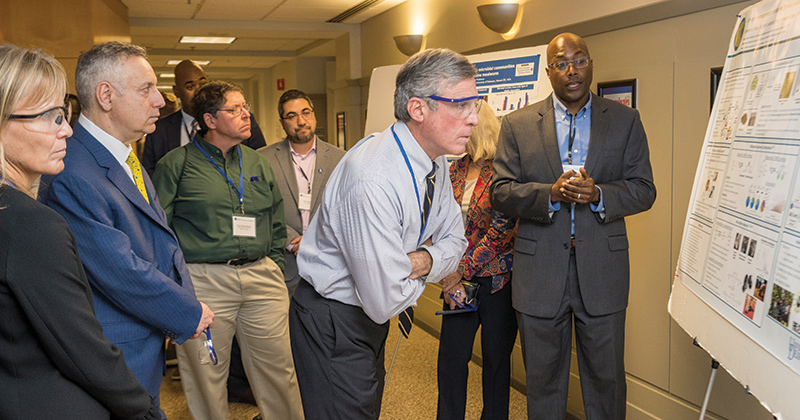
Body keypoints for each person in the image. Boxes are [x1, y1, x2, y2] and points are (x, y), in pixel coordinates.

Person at [289, 48, 472, 419]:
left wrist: (414, 262)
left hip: (363, 317)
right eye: (461, 105)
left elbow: (457, 238)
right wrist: (428, 263)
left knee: (363, 408)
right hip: (333, 319)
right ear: (419, 109)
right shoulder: (372, 177)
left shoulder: (432, 159)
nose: (474, 119)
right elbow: (385, 300)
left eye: (475, 104)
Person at [39, 41, 214, 418]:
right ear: (106, 95)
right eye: (146, 89)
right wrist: (187, 310)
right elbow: (118, 268)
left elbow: (158, 238)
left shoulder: (122, 153)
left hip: (141, 345)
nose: (160, 101)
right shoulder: (74, 170)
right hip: (116, 355)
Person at [489, 33, 656, 419]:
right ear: (549, 72)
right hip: (539, 273)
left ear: (591, 63)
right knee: (544, 384)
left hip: (603, 272)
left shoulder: (625, 121)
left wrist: (598, 193)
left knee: (606, 383)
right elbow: (500, 192)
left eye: (579, 60)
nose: (572, 70)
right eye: (562, 63)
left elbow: (644, 190)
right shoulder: (517, 124)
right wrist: (550, 193)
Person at [0, 43, 160, 420]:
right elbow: (82, 350)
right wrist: (145, 411)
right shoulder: (28, 224)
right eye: (51, 116)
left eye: (64, 114)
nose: (67, 130)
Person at [152, 81, 304, 420]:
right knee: (208, 374)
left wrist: (275, 268)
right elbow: (159, 230)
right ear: (209, 119)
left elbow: (275, 220)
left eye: (245, 107)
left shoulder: (256, 162)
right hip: (205, 281)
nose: (245, 114)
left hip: (261, 276)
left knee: (279, 370)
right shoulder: (176, 165)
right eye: (234, 110)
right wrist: (175, 286)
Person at [436, 101, 518, 420]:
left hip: (496, 283)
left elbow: (501, 233)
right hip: (458, 284)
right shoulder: (452, 169)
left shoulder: (502, 171)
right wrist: (447, 271)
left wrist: (461, 270)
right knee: (452, 361)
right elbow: (439, 222)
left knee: (496, 365)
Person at [258, 89, 345, 294]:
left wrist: (315, 239)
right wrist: (292, 241)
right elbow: (261, 209)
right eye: (292, 116)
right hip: (283, 267)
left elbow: (345, 209)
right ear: (282, 122)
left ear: (313, 115)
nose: (301, 121)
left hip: (330, 264)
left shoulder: (341, 159)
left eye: (306, 112)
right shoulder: (262, 159)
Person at [141, 59, 266, 176]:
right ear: (176, 91)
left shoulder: (241, 119)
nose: (198, 91)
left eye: (203, 84)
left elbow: (261, 163)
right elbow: (150, 175)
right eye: (190, 87)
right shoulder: (159, 131)